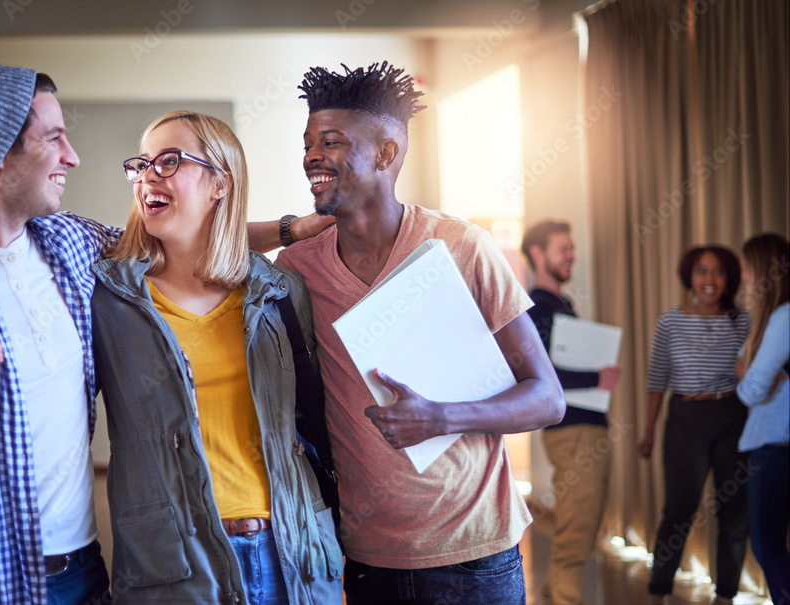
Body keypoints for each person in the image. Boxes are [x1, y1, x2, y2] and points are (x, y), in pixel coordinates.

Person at [0, 64, 328, 604]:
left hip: (83, 576)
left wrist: (289, 229)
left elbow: (191, 234)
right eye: (54, 137)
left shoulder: (71, 245)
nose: (71, 156)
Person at [276, 61, 565, 604]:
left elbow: (547, 399)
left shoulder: (461, 247)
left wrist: (441, 416)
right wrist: (286, 227)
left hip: (476, 555)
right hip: (364, 558)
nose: (312, 156)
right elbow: (199, 242)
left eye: (331, 142)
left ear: (387, 153)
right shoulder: (298, 269)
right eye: (309, 143)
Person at [89, 110, 343, 603]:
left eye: (168, 162)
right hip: (176, 562)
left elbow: (322, 415)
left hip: (292, 550)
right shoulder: (109, 297)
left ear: (220, 184)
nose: (147, 177)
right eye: (141, 165)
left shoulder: (277, 292)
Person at [637, 245, 751, 605]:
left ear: (728, 278)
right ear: (690, 276)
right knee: (679, 510)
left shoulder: (743, 320)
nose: (709, 279)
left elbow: (752, 374)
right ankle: (658, 590)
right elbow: (657, 380)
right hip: (686, 419)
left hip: (732, 416)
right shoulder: (670, 321)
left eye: (718, 272)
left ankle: (726, 595)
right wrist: (648, 432)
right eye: (702, 271)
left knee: (733, 511)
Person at [521, 220, 621, 605]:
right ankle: (564, 599)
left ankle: (552, 594)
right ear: (538, 254)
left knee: (586, 521)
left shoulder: (562, 304)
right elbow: (541, 373)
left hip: (588, 428)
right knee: (578, 527)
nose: (571, 255)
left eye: (571, 248)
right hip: (573, 432)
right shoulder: (537, 307)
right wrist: (598, 376)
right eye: (563, 248)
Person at [735, 233, 789, 604]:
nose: (743, 275)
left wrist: (751, 377)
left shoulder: (783, 317)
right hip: (775, 443)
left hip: (776, 446)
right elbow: (746, 367)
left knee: (767, 546)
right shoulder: (773, 318)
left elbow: (750, 388)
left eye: (746, 267)